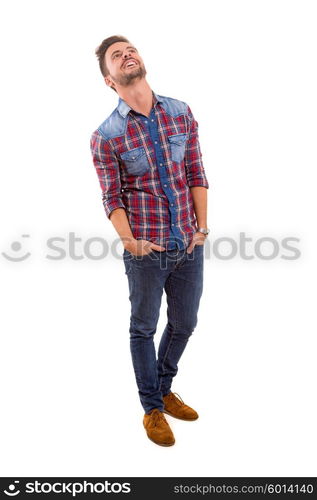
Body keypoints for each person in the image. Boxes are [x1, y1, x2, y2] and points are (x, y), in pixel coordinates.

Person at [90, 35, 210, 447]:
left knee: (185, 323)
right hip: (147, 251)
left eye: (130, 50)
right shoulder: (106, 135)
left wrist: (203, 228)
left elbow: (196, 172)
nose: (127, 55)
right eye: (116, 56)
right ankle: (152, 409)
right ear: (109, 79)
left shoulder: (180, 112)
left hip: (189, 244)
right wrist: (130, 242)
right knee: (143, 328)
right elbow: (111, 196)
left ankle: (164, 388)